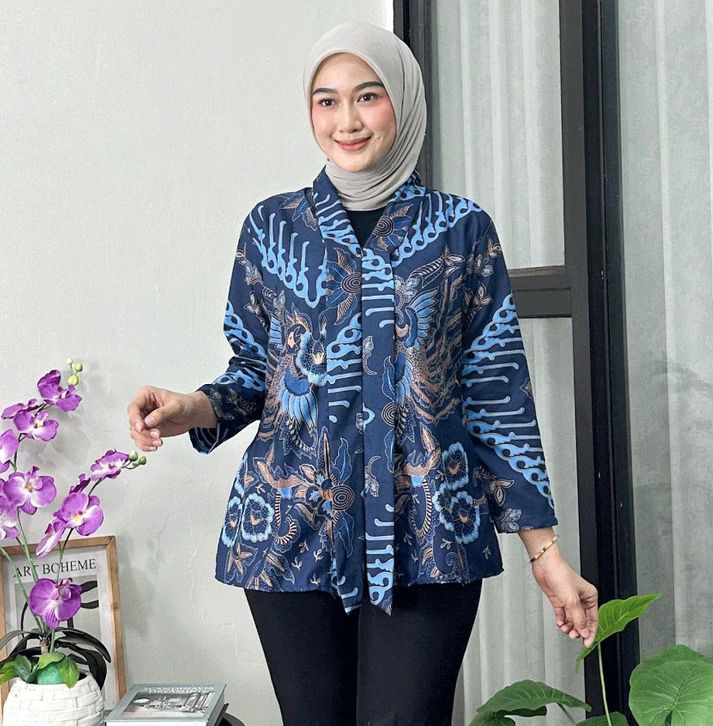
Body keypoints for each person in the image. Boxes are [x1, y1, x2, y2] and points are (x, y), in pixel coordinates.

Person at [127, 20, 599, 726]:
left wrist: (545, 552)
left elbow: (497, 394)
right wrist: (189, 407)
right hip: (290, 532)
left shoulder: (461, 230)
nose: (346, 120)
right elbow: (257, 371)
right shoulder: (272, 229)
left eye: (367, 96)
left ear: (401, 102)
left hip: (429, 534)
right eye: (327, 101)